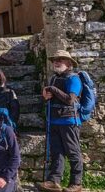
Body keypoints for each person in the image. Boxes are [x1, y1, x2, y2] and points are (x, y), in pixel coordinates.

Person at [37, 50, 84, 192]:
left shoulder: (73, 78)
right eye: (55, 60)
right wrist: (46, 95)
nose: (56, 62)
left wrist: (52, 89)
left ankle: (76, 183)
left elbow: (70, 100)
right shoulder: (54, 78)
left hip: (69, 121)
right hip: (55, 120)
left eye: (61, 59)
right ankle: (53, 181)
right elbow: (51, 97)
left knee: (73, 152)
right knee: (56, 152)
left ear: (69, 63)